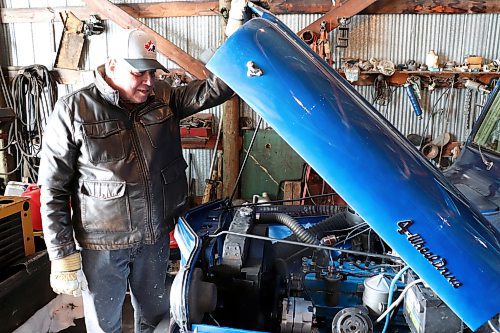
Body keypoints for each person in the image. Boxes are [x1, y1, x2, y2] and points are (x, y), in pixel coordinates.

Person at [38, 28, 233, 332]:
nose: (149, 82)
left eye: (153, 73)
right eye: (139, 73)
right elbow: (53, 188)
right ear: (112, 65)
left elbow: (214, 90)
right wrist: (61, 253)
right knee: (105, 325)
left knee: (157, 320)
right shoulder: (73, 110)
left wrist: (237, 47)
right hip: (102, 244)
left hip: (154, 238)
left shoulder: (164, 97)